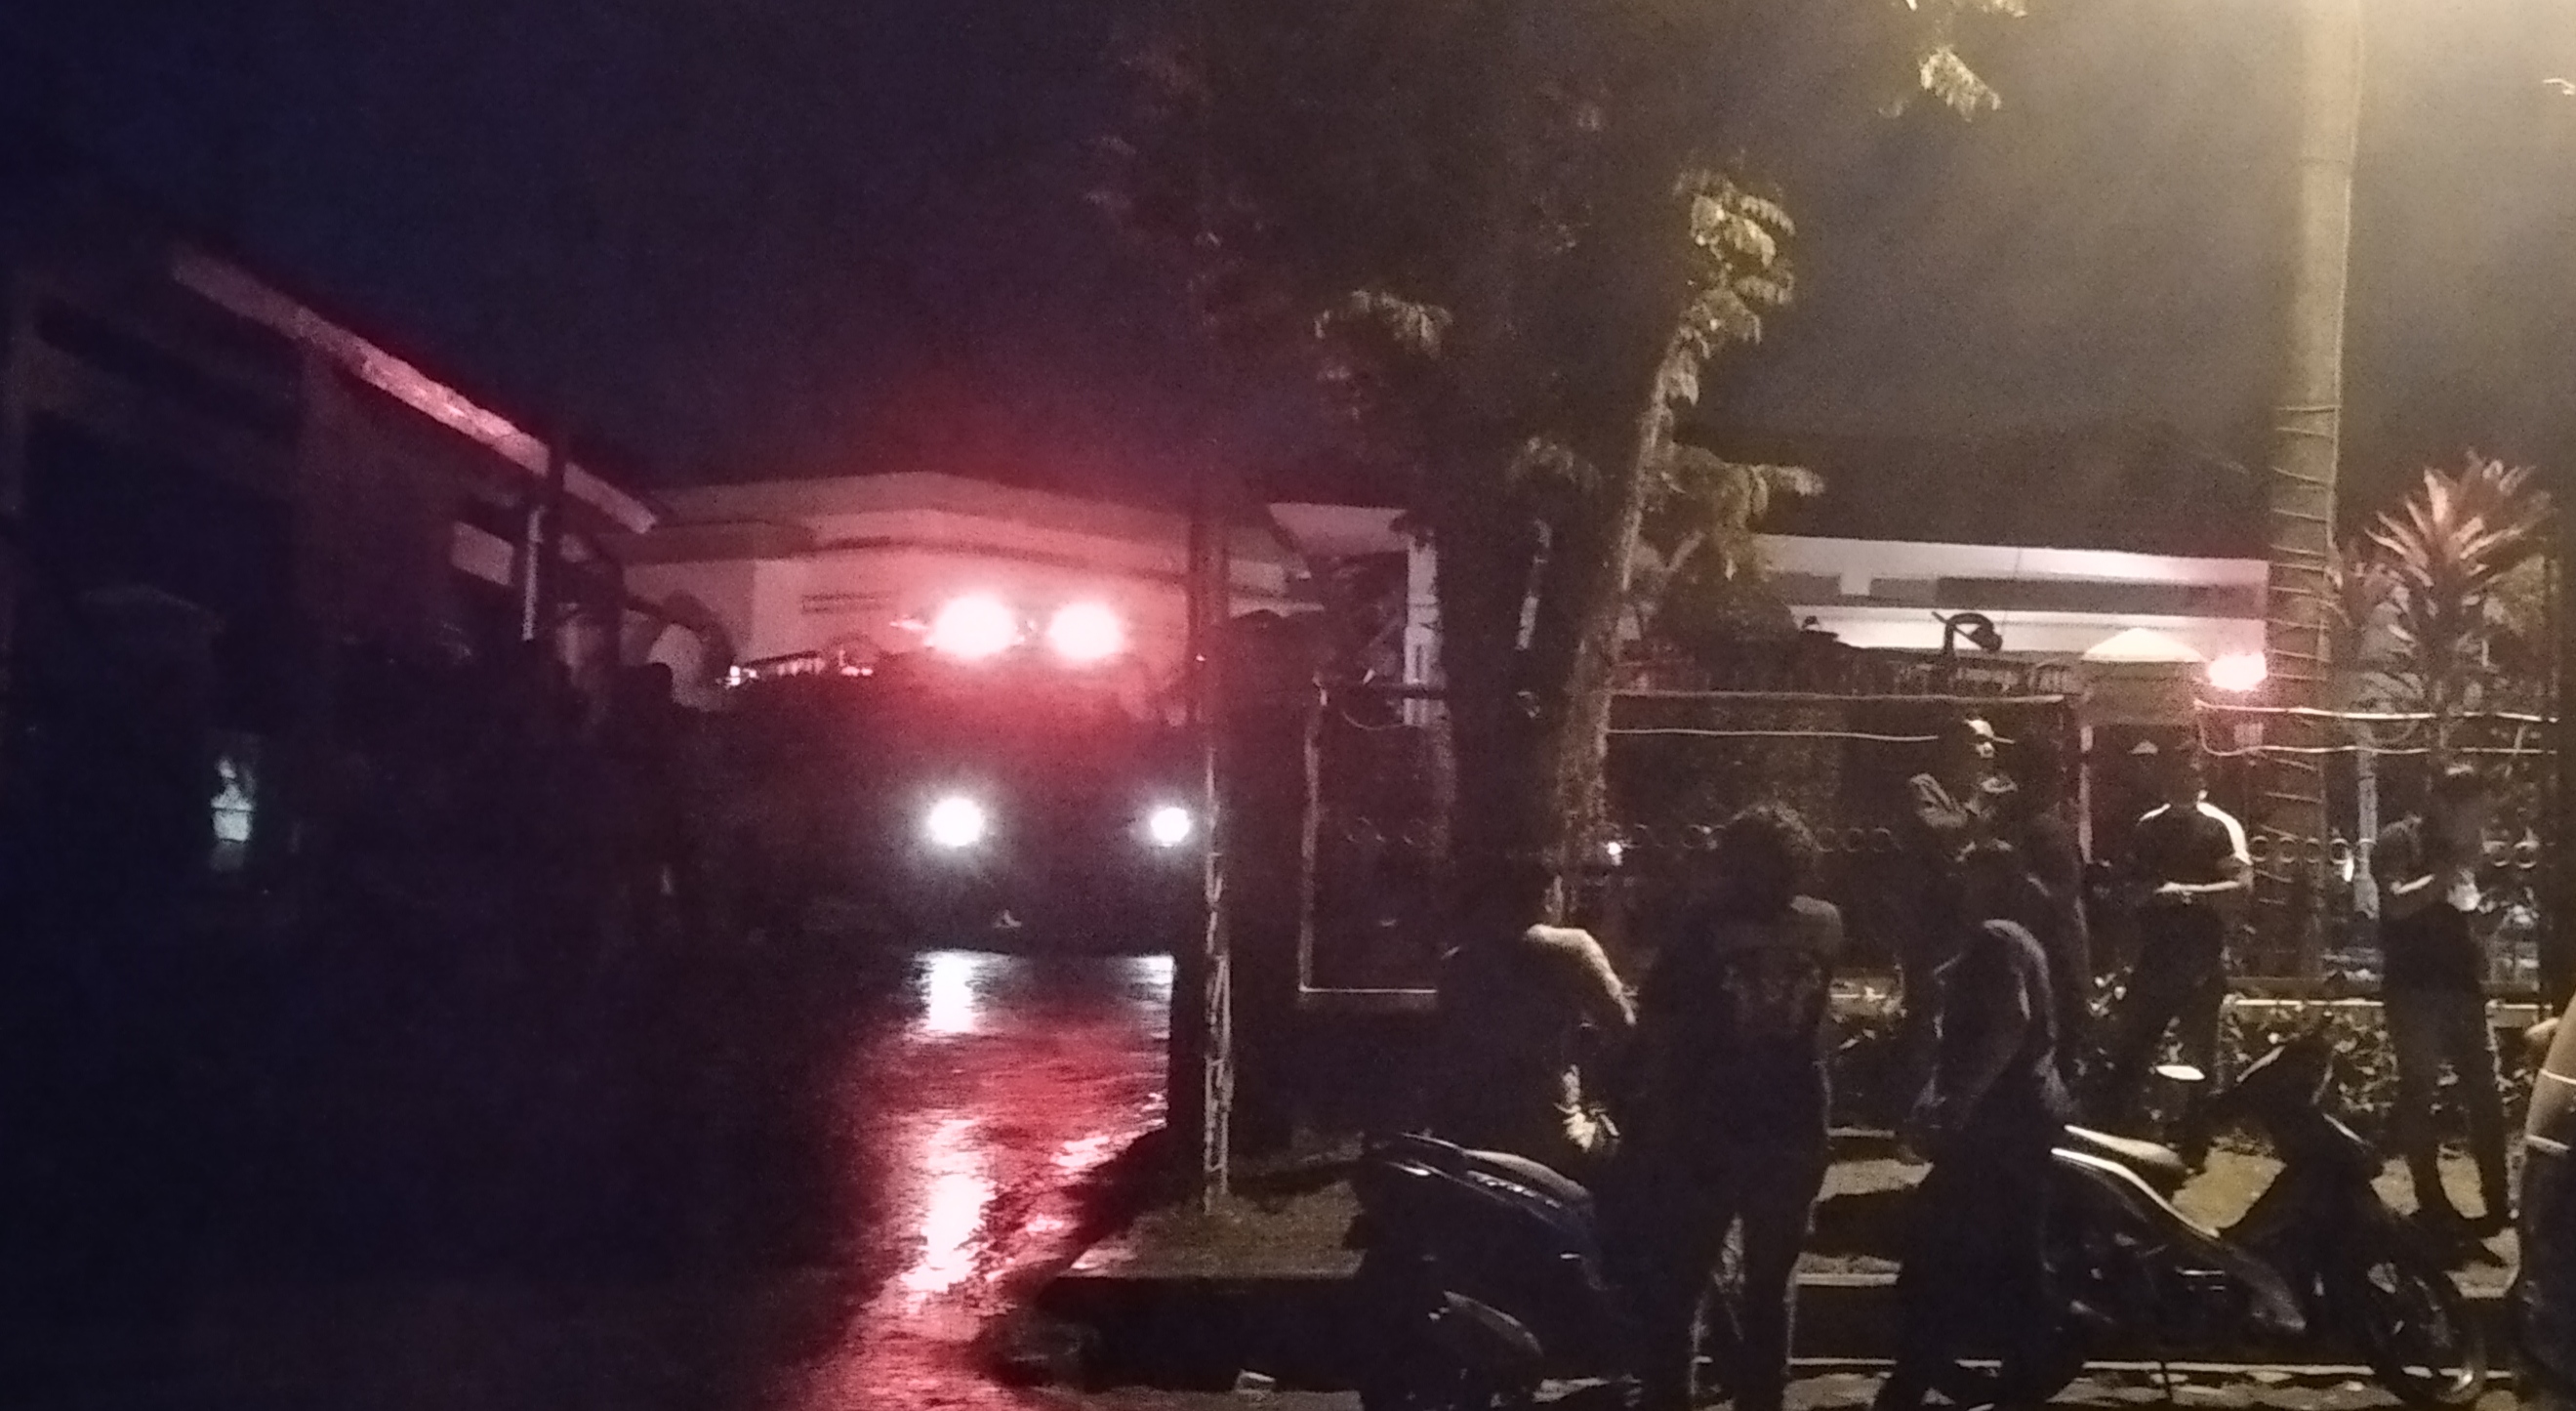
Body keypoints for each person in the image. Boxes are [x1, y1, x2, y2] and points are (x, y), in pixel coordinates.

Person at [1623, 805, 1843, 1411]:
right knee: (1771, 1286)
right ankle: (1763, 1399)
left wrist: (1658, 1107)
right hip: (1796, 1119)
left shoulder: (1701, 927)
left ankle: (1670, 1398)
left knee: (1685, 1278)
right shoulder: (1825, 923)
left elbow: (1659, 1019)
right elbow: (1820, 1023)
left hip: (1709, 1121)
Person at [1875, 841, 2075, 1411]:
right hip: (2018, 1122)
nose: (1959, 885)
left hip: (2001, 1127)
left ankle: (1919, 1376)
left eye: (1970, 873)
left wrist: (1961, 1100)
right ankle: (1999, 1376)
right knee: (2008, 1255)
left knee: (1938, 1250)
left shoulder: (1997, 938)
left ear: (1992, 880)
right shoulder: (2013, 940)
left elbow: (2011, 1021)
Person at [1424, 856, 1635, 1179]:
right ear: (1548, 895)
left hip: (1465, 1141)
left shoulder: (1456, 962)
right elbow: (1626, 1028)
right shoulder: (1572, 948)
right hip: (1551, 1145)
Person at [2091, 745, 2247, 1164]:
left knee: (2201, 1054)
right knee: (2133, 1048)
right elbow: (2127, 887)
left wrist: (2187, 894)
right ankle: (2121, 1137)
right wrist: (2142, 899)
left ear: (2202, 779)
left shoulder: (2220, 826)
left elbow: (2242, 887)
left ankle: (2195, 1142)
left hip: (2201, 959)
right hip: (2154, 958)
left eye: (2190, 774)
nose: (2183, 781)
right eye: (2175, 774)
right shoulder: (2148, 827)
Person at [2377, 763, 2511, 1237]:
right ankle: (2431, 1201)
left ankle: (2498, 1202)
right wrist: (2448, 871)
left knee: (2486, 1094)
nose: (2479, 825)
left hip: (2463, 985)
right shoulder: (2400, 840)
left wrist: (2487, 922)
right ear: (2441, 804)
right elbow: (2396, 902)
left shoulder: (2469, 852)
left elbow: (2464, 917)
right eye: (2473, 813)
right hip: (2414, 987)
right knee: (2420, 1092)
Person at [1894, 715, 2015, 1115]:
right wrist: (1978, 804)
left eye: (1991, 742)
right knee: (1929, 1016)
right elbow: (1939, 831)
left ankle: (1962, 1106)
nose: (1988, 749)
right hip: (1934, 925)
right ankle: (1916, 1111)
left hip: (1976, 920)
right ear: (1954, 747)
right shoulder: (1925, 787)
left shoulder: (1990, 793)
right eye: (1978, 741)